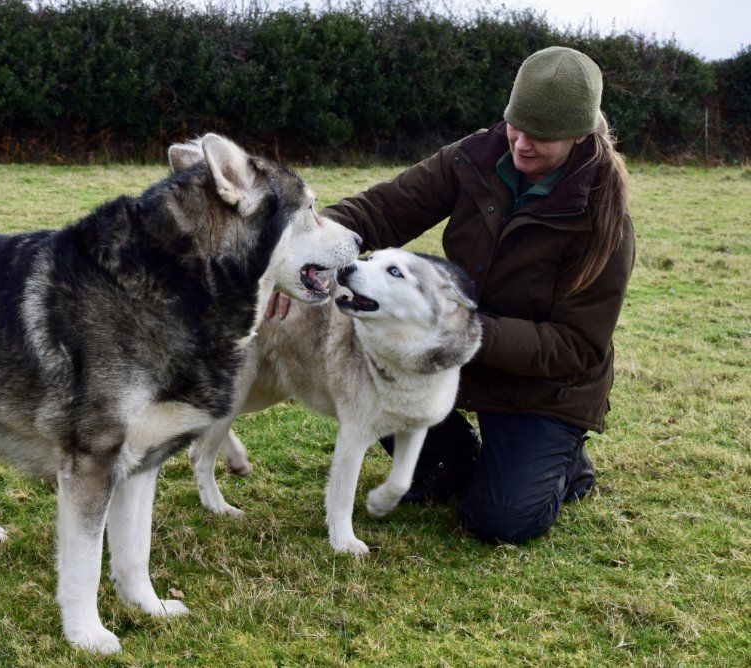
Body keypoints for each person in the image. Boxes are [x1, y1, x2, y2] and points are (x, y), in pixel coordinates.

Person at [272, 45, 635, 544]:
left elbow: (575, 345)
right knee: (433, 467)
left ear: (579, 134)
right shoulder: (475, 157)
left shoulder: (603, 222)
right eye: (517, 125)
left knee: (499, 521)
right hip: (446, 361)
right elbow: (383, 209)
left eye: (543, 136)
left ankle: (566, 465)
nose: (523, 143)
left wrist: (464, 332)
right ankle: (452, 457)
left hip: (542, 386)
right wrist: (305, 253)